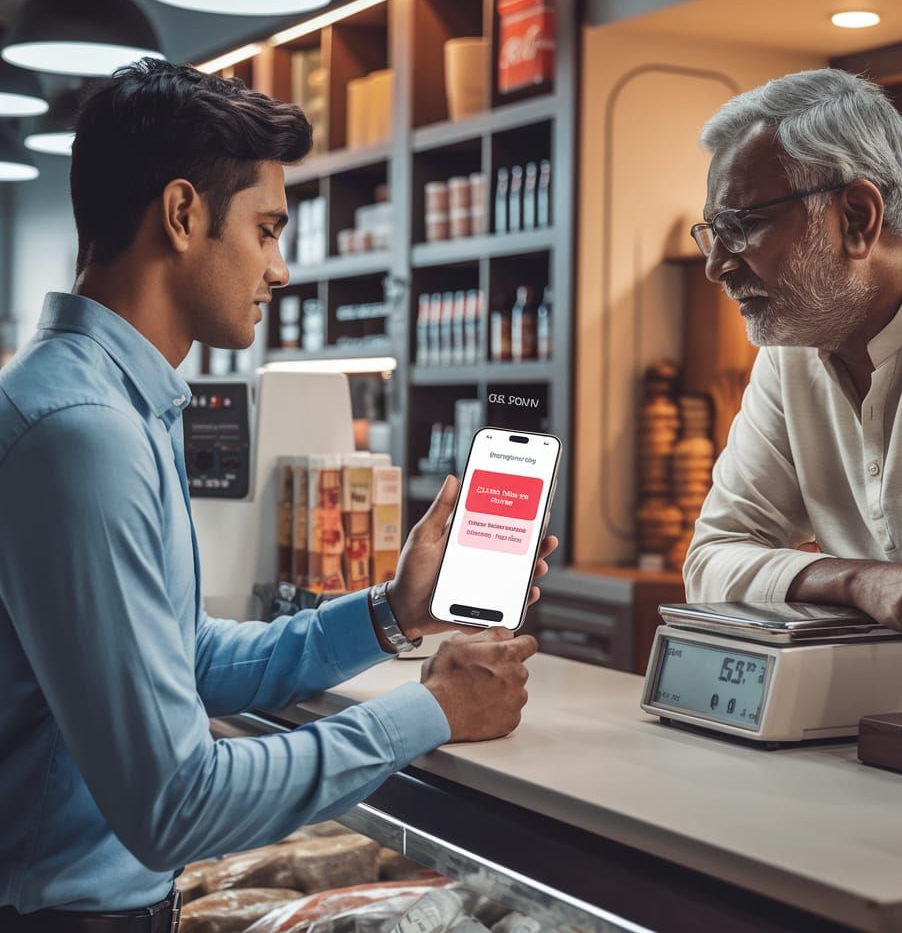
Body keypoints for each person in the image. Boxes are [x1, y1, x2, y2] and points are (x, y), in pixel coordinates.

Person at [0, 59, 554, 926]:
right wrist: (433, 709)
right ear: (183, 215)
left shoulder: (110, 406)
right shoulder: (83, 432)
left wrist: (393, 609)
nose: (281, 268)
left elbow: (185, 660)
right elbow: (176, 804)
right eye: (266, 229)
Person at [683, 68, 902, 689]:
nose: (716, 265)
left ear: (858, 217)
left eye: (741, 226)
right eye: (713, 231)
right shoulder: (792, 342)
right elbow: (708, 564)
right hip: (871, 733)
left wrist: (795, 583)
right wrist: (860, 580)